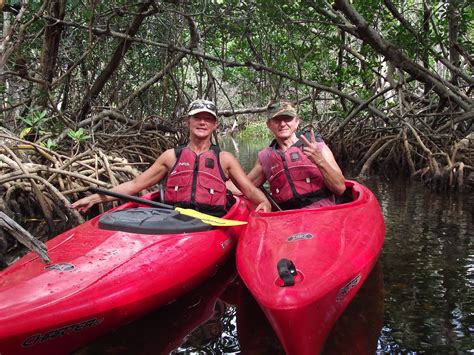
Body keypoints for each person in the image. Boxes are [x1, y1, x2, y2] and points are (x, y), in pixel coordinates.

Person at [71, 99, 271, 215]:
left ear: (215, 125)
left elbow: (249, 189)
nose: (202, 122)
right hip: (174, 219)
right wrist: (95, 198)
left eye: (208, 119)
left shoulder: (224, 159)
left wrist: (264, 202)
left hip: (212, 220)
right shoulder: (170, 156)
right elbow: (134, 185)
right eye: (197, 118)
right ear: (188, 122)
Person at [235, 100, 346, 210]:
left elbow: (340, 188)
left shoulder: (318, 147)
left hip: (322, 213)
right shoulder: (265, 157)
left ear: (296, 122)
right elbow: (243, 187)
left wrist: (320, 160)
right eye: (277, 120)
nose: (283, 124)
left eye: (288, 118)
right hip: (287, 218)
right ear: (269, 124)